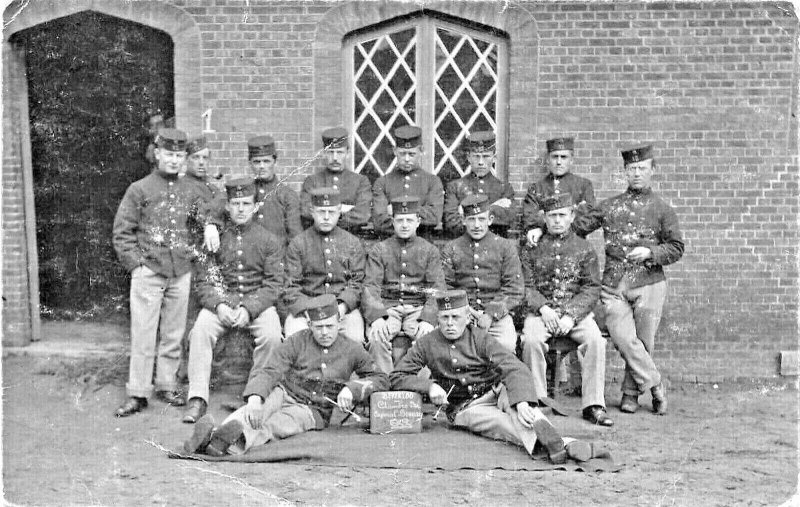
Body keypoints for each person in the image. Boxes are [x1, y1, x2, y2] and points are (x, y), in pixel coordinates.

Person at [390, 290, 597, 464]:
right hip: (466, 407)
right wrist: (429, 386)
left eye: (456, 317)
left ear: (468, 317)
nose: (450, 324)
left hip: (497, 391)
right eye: (445, 318)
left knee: (523, 410)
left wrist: (522, 402)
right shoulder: (427, 343)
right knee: (499, 422)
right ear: (438, 319)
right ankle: (563, 444)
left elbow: (514, 367)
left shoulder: (480, 338)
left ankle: (547, 434)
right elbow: (397, 376)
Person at [183, 294, 388, 457]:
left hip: (311, 409)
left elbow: (380, 379)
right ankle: (217, 435)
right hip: (284, 392)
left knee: (274, 425)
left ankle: (229, 443)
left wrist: (352, 389)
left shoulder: (352, 349)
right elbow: (271, 368)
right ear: (309, 325)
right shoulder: (296, 341)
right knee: (255, 411)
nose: (325, 332)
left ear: (339, 321)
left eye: (330, 326)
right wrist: (255, 398)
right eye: (319, 327)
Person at [575, 145, 684, 415]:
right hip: (614, 287)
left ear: (652, 171)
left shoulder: (663, 209)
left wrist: (652, 252)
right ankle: (656, 385)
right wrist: (543, 225)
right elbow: (577, 227)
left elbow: (676, 247)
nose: (636, 173)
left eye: (642, 168)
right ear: (624, 171)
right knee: (625, 339)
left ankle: (630, 395)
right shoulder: (610, 206)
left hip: (650, 284)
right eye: (631, 169)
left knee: (643, 341)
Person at [113, 128, 205, 416]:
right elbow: (122, 232)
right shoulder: (139, 189)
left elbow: (204, 217)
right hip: (149, 270)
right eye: (169, 154)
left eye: (180, 155)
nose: (175, 160)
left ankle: (166, 384)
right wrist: (137, 265)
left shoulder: (190, 189)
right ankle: (138, 392)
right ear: (157, 154)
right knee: (143, 332)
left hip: (181, 270)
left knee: (173, 332)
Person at [182, 177, 286, 424]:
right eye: (235, 203)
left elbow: (273, 283)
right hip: (222, 303)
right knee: (200, 331)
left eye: (246, 203)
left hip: (256, 304)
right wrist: (219, 305)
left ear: (255, 207)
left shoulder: (268, 240)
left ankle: (256, 394)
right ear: (227, 206)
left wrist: (250, 309)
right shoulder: (215, 238)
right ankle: (197, 398)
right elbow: (205, 280)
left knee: (271, 334)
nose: (241, 209)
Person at [519, 193, 612, 426]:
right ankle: (537, 401)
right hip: (541, 313)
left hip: (575, 315)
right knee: (531, 341)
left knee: (595, 341)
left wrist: (571, 315)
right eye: (552, 216)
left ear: (572, 216)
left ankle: (593, 405)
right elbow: (525, 286)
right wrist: (543, 308)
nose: (557, 220)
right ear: (544, 218)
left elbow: (591, 288)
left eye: (562, 215)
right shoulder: (531, 248)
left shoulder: (584, 248)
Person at [363, 198, 445, 373]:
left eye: (409, 220)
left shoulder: (429, 250)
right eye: (400, 220)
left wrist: (428, 319)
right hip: (388, 308)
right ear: (393, 222)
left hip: (417, 309)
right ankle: (383, 384)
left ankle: (416, 386)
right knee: (377, 337)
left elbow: (437, 288)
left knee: (429, 339)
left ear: (418, 222)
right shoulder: (380, 250)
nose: (405, 225)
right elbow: (371, 286)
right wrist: (378, 317)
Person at [441, 194, 523, 352]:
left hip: (497, 316)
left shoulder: (505, 247)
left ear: (490, 219)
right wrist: (464, 309)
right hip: (461, 314)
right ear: (463, 220)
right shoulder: (451, 248)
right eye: (471, 219)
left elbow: (514, 288)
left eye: (481, 219)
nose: (477, 225)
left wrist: (491, 314)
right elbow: (446, 286)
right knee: (451, 350)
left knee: (506, 345)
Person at [284, 188, 367, 344]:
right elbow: (291, 285)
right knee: (294, 339)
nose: (326, 217)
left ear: (339, 212)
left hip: (342, 309)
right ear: (312, 212)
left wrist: (343, 307)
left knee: (355, 338)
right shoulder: (299, 243)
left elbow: (357, 283)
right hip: (306, 309)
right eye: (321, 212)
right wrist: (306, 309)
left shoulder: (352, 243)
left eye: (331, 212)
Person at [522, 137, 595, 246]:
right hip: (544, 245)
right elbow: (531, 217)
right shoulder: (536, 188)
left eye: (564, 157)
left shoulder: (584, 185)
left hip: (575, 244)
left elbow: (590, 217)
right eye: (555, 157)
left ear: (571, 160)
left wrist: (563, 230)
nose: (559, 162)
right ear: (548, 159)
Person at [372, 125, 444, 236]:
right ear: (395, 151)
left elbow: (434, 217)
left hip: (422, 244)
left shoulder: (433, 182)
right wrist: (418, 214)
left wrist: (395, 210)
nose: (406, 159)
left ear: (421, 151)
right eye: (402, 153)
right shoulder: (382, 183)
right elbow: (379, 221)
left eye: (411, 154)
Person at [443, 131, 516, 237]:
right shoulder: (455, 187)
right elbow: (451, 222)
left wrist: (466, 213)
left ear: (494, 158)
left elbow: (508, 219)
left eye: (486, 156)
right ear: (468, 157)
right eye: (476, 156)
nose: (481, 162)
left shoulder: (504, 188)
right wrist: (494, 207)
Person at [300, 127, 371, 233]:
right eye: (330, 152)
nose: (335, 158)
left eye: (340, 152)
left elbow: (363, 214)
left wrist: (325, 217)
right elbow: (306, 211)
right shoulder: (312, 181)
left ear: (348, 153)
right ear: (324, 153)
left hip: (351, 239)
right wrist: (343, 209)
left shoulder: (361, 181)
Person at [246, 135, 302, 244]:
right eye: (257, 162)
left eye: (266, 161)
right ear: (250, 163)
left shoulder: (287, 195)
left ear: (275, 161)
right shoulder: (245, 191)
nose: (261, 166)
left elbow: (295, 235)